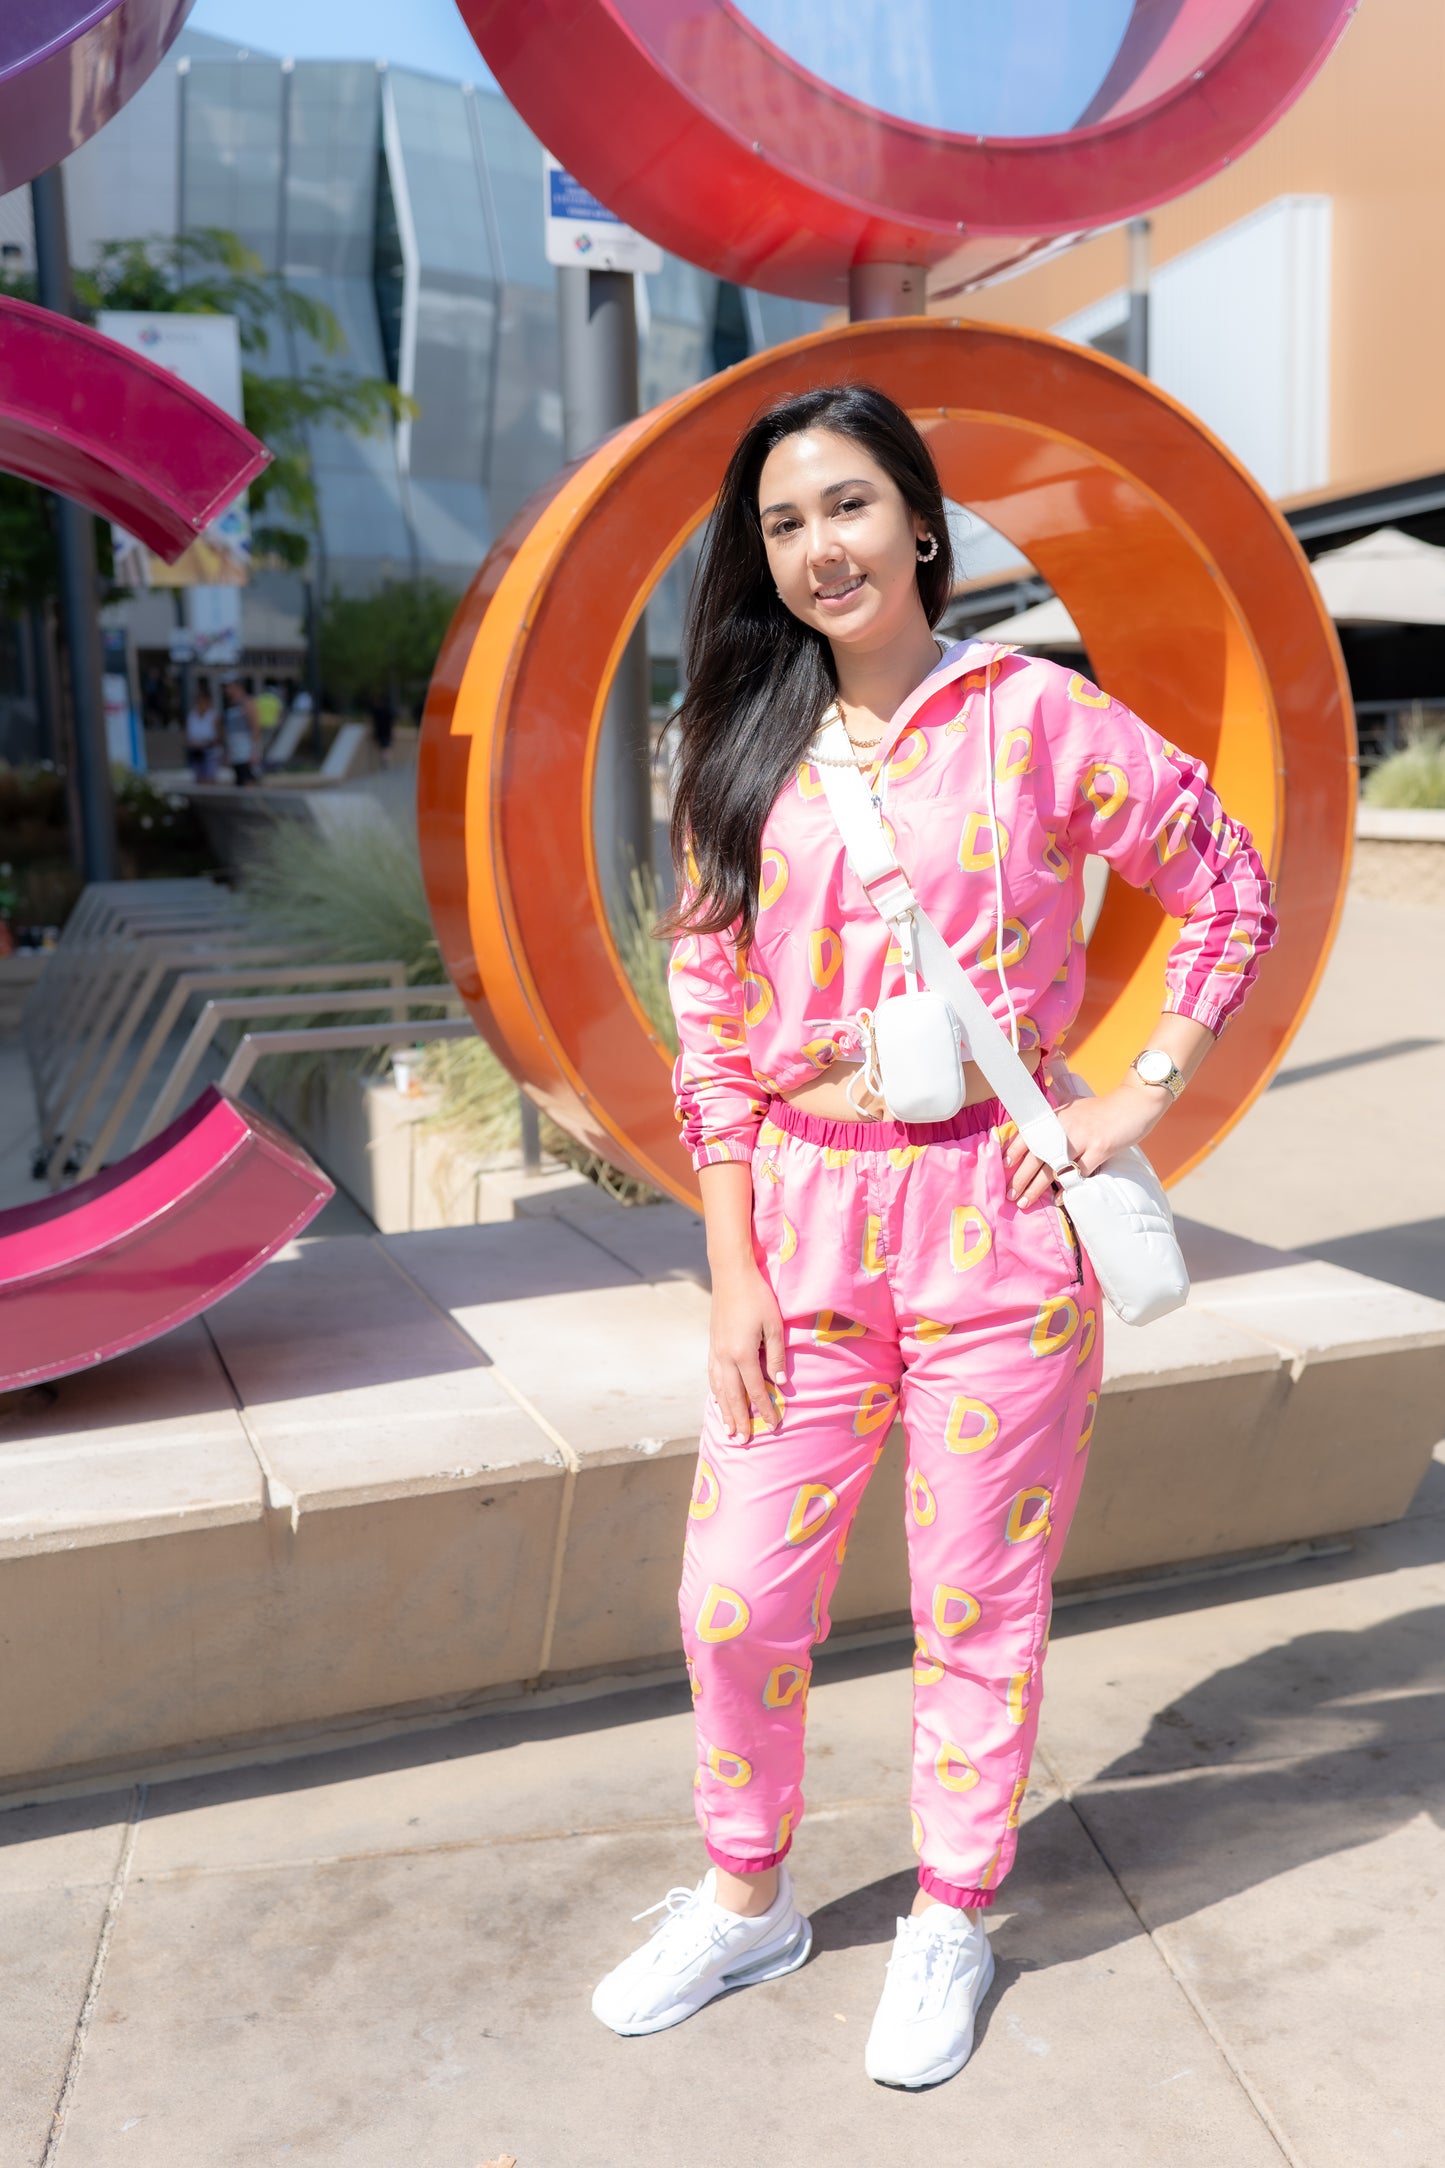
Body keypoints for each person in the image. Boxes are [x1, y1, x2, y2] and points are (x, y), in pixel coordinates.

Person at [589, 385, 1276, 2086]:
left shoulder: (1034, 716)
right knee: (735, 1597)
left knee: (980, 1596)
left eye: (846, 505)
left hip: (999, 1220)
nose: (818, 547)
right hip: (802, 1224)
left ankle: (953, 1908)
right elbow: (711, 1029)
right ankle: (746, 1892)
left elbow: (1225, 879)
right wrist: (731, 1267)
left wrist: (1139, 1096)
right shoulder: (734, 748)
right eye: (781, 524)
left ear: (918, 520)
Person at [221, 678, 260, 785]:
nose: (226, 690)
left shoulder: (247, 702)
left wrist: (254, 751)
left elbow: (255, 727)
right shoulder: (231, 704)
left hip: (245, 751)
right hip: (235, 753)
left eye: (229, 687)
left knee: (248, 782)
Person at [183, 682, 219, 782]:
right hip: (195, 752)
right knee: (198, 779)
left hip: (209, 752)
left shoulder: (213, 715)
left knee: (209, 779)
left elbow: (219, 736)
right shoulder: (192, 715)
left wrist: (206, 743)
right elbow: (188, 734)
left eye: (203, 700)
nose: (200, 703)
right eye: (199, 700)